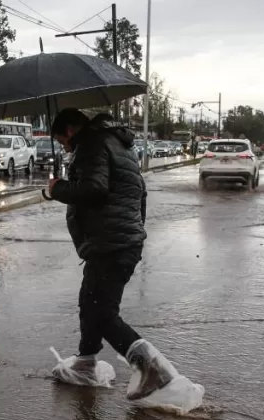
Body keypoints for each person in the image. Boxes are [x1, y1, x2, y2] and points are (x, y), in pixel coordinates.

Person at [44, 108, 184, 400]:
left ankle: (152, 370)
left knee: (102, 313)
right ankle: (85, 362)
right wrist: (132, 232)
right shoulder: (118, 145)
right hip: (116, 242)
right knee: (90, 302)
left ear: (69, 130)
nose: (64, 147)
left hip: (110, 244)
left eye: (61, 141)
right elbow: (140, 193)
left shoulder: (92, 145)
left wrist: (58, 189)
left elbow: (94, 190)